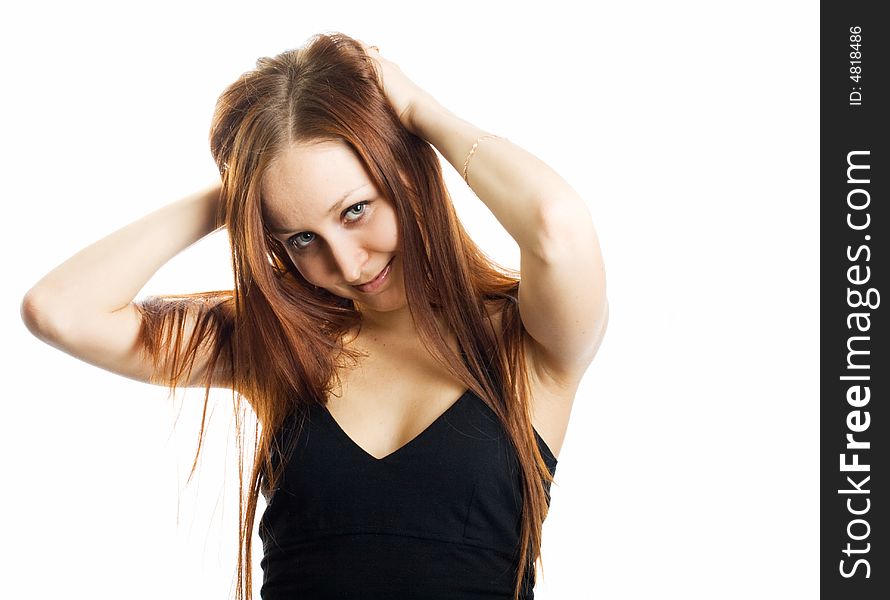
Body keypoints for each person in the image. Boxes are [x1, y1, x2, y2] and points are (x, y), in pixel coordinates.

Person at [21, 32, 608, 600]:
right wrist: (242, 190)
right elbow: (59, 311)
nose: (347, 264)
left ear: (405, 174)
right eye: (302, 237)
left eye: (355, 210)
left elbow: (556, 225)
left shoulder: (528, 339)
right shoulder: (275, 343)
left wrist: (418, 112)